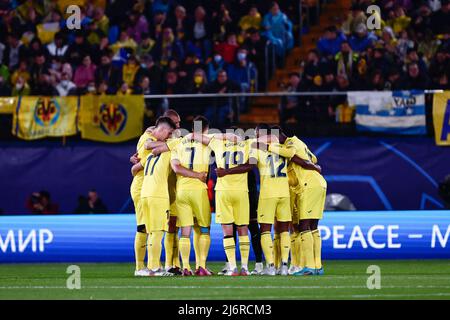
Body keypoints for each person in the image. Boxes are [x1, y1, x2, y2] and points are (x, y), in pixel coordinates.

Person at [213, 124, 292, 275]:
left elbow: (250, 164)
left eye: (256, 133)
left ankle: (268, 266)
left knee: (263, 231)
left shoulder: (255, 147)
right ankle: (283, 266)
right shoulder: (282, 147)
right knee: (283, 231)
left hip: (267, 194)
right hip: (284, 193)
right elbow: (290, 151)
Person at [261, 127, 326, 276]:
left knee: (304, 226)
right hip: (317, 183)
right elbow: (313, 158)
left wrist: (268, 146)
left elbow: (293, 156)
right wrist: (312, 165)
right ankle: (317, 266)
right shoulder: (299, 142)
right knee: (313, 227)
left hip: (308, 185)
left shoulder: (290, 143)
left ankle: (309, 266)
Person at [191, 126, 252, 276]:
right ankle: (244, 267)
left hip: (223, 192)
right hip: (241, 192)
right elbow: (253, 162)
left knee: (228, 232)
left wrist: (223, 136)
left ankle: (232, 267)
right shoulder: (247, 144)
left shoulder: (217, 143)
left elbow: (195, 135)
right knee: (243, 230)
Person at [129, 109, 182, 276]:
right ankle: (144, 267)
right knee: (145, 228)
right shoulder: (149, 138)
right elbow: (137, 167)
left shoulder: (152, 138)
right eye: (175, 126)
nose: (176, 130)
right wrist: (136, 164)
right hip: (144, 187)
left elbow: (140, 161)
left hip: (148, 187)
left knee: (149, 229)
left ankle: (150, 266)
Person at [169, 116, 211, 276]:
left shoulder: (179, 142)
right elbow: (231, 138)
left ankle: (185, 267)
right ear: (206, 129)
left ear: (192, 128)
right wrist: (198, 175)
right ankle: (201, 266)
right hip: (198, 190)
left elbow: (176, 168)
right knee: (204, 229)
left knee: (185, 230)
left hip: (181, 191)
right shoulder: (208, 141)